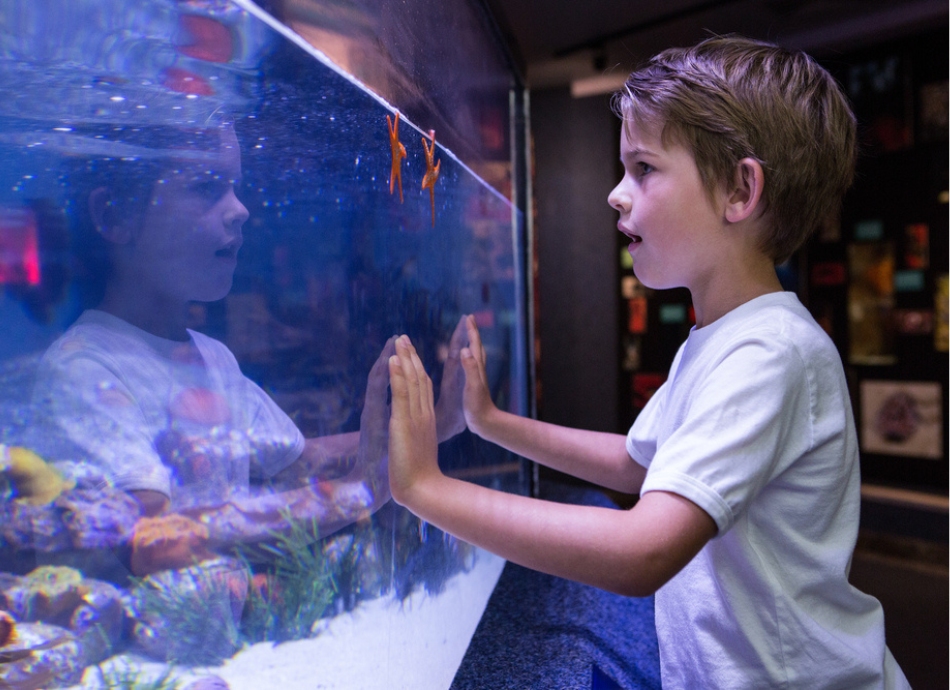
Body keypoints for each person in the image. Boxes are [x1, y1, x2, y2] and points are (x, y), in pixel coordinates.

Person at [385, 36, 910, 689]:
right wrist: (491, 421)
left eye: (644, 168)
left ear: (740, 190)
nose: (615, 193)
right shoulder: (720, 338)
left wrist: (427, 489)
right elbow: (641, 465)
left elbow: (643, 552)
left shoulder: (770, 354)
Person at [31, 122, 463, 525]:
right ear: (113, 214)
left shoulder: (212, 357)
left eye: (234, 187)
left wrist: (435, 424)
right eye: (206, 187)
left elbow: (300, 462)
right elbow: (161, 536)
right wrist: (359, 490)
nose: (240, 210)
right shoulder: (83, 369)